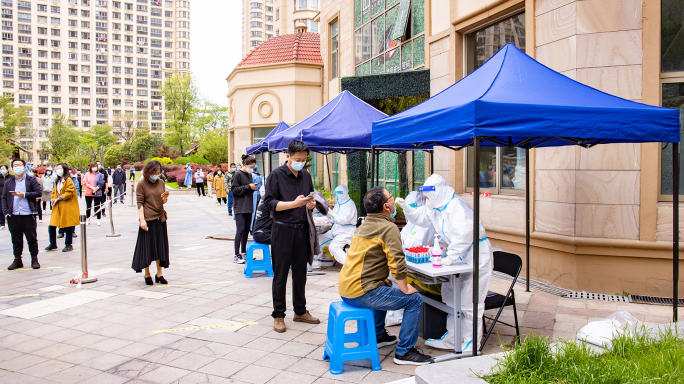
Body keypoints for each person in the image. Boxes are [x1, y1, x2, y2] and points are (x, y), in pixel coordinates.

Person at [396, 174, 494, 351]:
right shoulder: (435, 205)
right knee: (451, 296)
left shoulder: (456, 206)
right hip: (458, 256)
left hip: (475, 255)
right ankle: (453, 338)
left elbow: (464, 235)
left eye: (428, 194)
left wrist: (450, 257)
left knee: (470, 301)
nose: (426, 198)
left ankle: (471, 343)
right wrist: (407, 209)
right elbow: (421, 218)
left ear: (438, 191)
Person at [339, 186, 433, 365]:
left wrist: (380, 276)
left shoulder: (365, 224)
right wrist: (405, 288)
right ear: (386, 207)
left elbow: (363, 257)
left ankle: (379, 336)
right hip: (361, 292)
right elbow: (397, 261)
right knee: (414, 300)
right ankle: (404, 352)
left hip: (347, 288)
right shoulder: (388, 227)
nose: (393, 199)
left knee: (385, 285)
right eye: (390, 197)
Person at [263, 140, 321, 333]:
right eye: (297, 159)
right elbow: (269, 204)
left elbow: (308, 199)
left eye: (304, 159)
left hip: (302, 229)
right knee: (280, 275)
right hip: (282, 230)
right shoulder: (276, 176)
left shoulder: (306, 176)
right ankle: (278, 315)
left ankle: (300, 310)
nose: (301, 162)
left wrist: (309, 205)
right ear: (287, 156)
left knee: (300, 274)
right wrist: (293, 204)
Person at [132, 160, 170, 285]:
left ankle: (159, 274)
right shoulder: (142, 184)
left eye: (159, 173)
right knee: (148, 247)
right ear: (149, 172)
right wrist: (142, 220)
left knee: (160, 247)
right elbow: (140, 203)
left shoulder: (161, 182)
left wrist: (164, 198)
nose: (157, 175)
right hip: (148, 219)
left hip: (160, 217)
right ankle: (147, 274)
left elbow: (162, 201)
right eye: (155, 173)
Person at [1, 158, 42, 270]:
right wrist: (5, 212)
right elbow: (4, 197)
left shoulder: (31, 180)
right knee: (16, 239)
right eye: (15, 165)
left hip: (28, 214)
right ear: (12, 168)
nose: (17, 167)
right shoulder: (9, 181)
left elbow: (38, 193)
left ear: (24, 167)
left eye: (19, 165)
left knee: (32, 238)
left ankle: (34, 259)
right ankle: (17, 259)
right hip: (13, 215)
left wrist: (24, 194)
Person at [45, 163, 79, 253]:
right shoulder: (57, 180)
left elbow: (69, 192)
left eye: (60, 168)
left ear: (64, 169)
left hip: (66, 206)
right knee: (52, 226)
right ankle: (53, 243)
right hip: (57, 206)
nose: (57, 170)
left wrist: (59, 198)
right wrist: (53, 199)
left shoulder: (69, 180)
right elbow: (54, 192)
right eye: (56, 168)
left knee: (68, 226)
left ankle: (68, 244)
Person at [231, 155, 257, 264]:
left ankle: (243, 252)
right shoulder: (237, 174)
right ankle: (236, 254)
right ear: (245, 165)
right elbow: (234, 189)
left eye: (254, 167)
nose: (252, 169)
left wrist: (253, 187)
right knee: (240, 230)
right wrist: (248, 187)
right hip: (240, 206)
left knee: (246, 230)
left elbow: (247, 189)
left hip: (248, 205)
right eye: (251, 166)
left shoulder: (249, 175)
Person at [327, 184, 357, 265]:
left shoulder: (350, 205)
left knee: (333, 247)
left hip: (346, 232)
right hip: (336, 231)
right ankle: (316, 264)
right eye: (336, 195)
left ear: (344, 194)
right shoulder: (338, 204)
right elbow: (334, 219)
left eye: (338, 195)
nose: (336, 197)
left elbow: (343, 220)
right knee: (319, 239)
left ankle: (351, 265)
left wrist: (332, 214)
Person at [0, 164, 10, 230]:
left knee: (9, 209)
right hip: (1, 196)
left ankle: (10, 222)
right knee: (1, 209)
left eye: (4, 169)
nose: (2, 170)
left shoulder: (11, 177)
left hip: (9, 196)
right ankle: (1, 223)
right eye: (1, 169)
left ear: (7, 169)